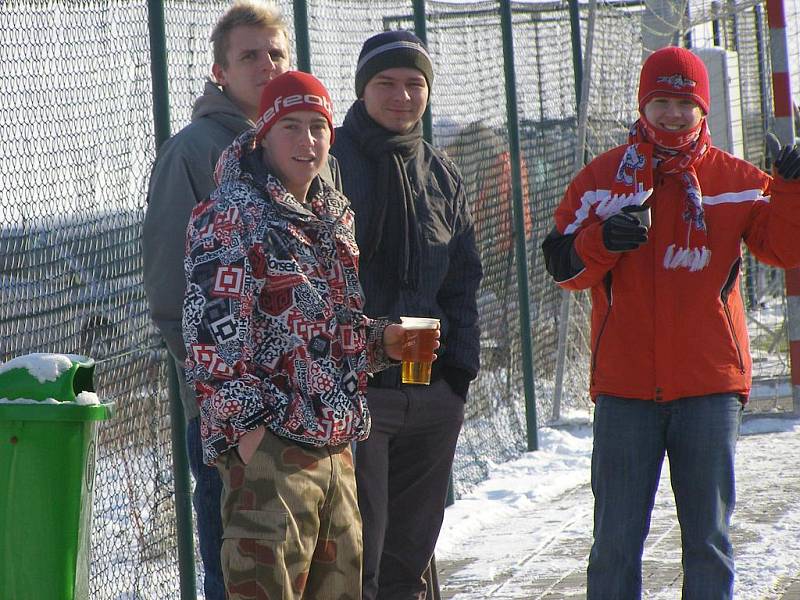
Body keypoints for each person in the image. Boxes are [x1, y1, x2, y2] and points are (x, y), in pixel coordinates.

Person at [541, 46, 800, 599]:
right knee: (614, 542)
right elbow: (564, 270)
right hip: (625, 388)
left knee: (708, 540)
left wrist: (794, 190)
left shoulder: (736, 179)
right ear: (643, 104)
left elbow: (784, 249)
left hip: (709, 387)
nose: (673, 114)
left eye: (685, 102)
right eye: (661, 100)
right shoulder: (603, 180)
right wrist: (602, 240)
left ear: (703, 109)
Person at [183, 70, 426, 600]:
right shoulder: (231, 215)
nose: (306, 140)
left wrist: (382, 343)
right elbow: (209, 336)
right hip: (272, 450)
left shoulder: (330, 215)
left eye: (317, 127)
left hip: (336, 446)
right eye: (290, 126)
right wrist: (253, 437)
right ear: (263, 134)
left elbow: (329, 333)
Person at [142, 3, 338, 597]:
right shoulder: (193, 151)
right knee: (243, 576)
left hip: (316, 415)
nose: (266, 64)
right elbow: (175, 298)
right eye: (249, 55)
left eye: (275, 53)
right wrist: (233, 411)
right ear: (219, 72)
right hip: (241, 426)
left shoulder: (306, 144)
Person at [330, 31, 483, 600]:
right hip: (360, 390)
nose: (402, 96)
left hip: (431, 389)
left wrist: (458, 375)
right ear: (362, 90)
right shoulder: (332, 163)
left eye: (414, 84)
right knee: (359, 552)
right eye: (386, 83)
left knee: (411, 554)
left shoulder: (441, 173)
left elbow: (463, 277)